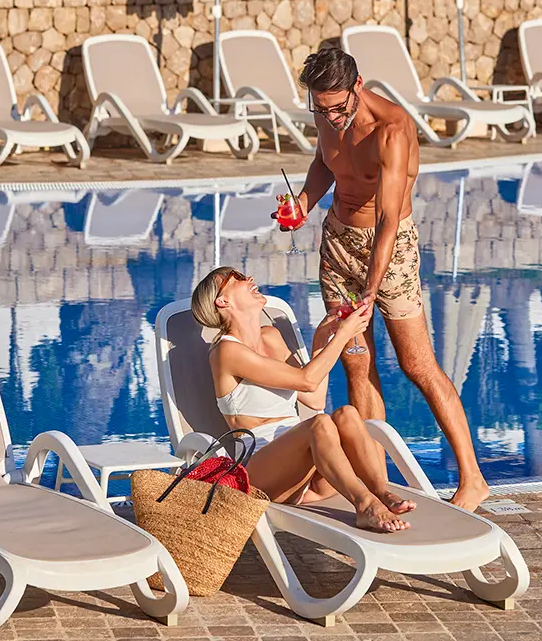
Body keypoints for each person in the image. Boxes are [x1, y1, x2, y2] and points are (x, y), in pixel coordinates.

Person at [276, 47, 490, 511]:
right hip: (338, 245)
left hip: (387, 254)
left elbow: (390, 220)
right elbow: (324, 165)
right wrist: (303, 206)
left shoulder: (393, 131)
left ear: (358, 86)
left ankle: (473, 478)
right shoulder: (325, 113)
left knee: (417, 365)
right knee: (355, 362)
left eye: (338, 107)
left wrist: (371, 291)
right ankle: (377, 485)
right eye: (320, 108)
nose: (330, 117)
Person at [191, 266, 417, 533]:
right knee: (319, 424)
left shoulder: (271, 337)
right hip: (264, 477)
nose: (249, 278)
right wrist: (345, 333)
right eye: (237, 278)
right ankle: (364, 503)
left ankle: (381, 491)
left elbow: (313, 395)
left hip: (313, 477)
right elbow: (308, 380)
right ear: (222, 301)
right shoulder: (226, 351)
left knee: (346, 414)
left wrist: (322, 338)